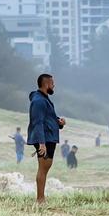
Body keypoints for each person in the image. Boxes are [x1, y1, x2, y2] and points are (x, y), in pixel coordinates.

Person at [27, 73, 65, 203]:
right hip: (44, 139)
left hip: (49, 137)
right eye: (52, 83)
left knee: (46, 167)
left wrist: (58, 122)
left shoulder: (44, 98)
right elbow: (37, 122)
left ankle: (41, 198)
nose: (54, 85)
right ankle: (40, 199)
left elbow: (48, 118)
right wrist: (41, 143)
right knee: (42, 168)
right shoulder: (38, 101)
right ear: (46, 84)